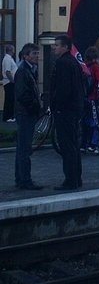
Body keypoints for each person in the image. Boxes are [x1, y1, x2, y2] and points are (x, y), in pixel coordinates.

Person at [49, 34, 86, 191]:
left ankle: (70, 179)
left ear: (65, 47)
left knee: (67, 146)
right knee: (73, 145)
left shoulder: (62, 63)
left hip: (64, 110)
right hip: (74, 109)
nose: (54, 47)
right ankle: (76, 178)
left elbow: (63, 89)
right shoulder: (74, 63)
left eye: (57, 45)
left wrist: (55, 105)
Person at [14, 43, 44, 190]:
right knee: (25, 148)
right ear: (25, 56)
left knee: (22, 147)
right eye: (34, 54)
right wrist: (34, 106)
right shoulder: (22, 71)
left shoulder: (30, 70)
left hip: (27, 112)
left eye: (37, 54)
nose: (37, 56)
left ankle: (20, 178)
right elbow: (21, 94)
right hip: (25, 113)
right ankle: (25, 180)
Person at [2, 43, 18, 122]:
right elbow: (8, 72)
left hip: (9, 82)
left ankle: (10, 116)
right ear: (11, 50)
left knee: (11, 99)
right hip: (9, 82)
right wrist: (13, 81)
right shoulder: (7, 59)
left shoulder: (9, 58)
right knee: (9, 99)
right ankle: (8, 117)